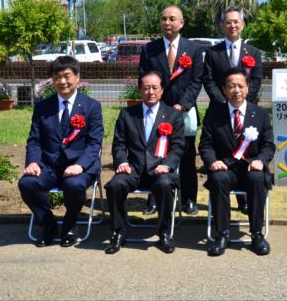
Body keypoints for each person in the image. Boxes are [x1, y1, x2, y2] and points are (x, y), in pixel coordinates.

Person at [19, 56, 103, 247]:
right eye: (57, 77)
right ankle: (48, 224)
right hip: (49, 165)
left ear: (77, 77)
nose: (62, 81)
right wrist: (32, 162)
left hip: (79, 166)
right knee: (27, 184)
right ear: (52, 80)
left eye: (67, 76)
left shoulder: (91, 107)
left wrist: (80, 166)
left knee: (74, 185)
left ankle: (70, 225)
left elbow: (94, 143)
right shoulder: (42, 107)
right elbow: (34, 140)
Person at [104, 71, 185, 254]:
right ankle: (118, 232)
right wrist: (122, 162)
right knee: (114, 185)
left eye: (155, 87)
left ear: (162, 90)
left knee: (164, 184)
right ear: (140, 90)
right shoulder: (127, 114)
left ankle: (164, 232)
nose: (150, 92)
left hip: (161, 169)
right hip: (133, 169)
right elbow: (119, 144)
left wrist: (168, 165)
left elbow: (178, 146)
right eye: (146, 87)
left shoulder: (173, 115)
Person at [199, 69, 275, 256]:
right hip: (225, 166)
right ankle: (222, 234)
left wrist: (261, 160)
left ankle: (257, 234)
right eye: (231, 86)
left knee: (258, 179)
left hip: (251, 166)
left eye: (240, 85)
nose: (236, 90)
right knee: (217, 179)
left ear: (248, 88)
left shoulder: (261, 113)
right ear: (224, 89)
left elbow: (269, 145)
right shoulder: (214, 113)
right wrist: (213, 161)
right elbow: (205, 145)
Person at [139, 5, 203, 215]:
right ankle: (155, 197)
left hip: (184, 112)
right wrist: (159, 106)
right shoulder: (150, 49)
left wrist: (182, 105)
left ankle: (189, 199)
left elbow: (196, 81)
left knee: (186, 155)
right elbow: (145, 79)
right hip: (157, 111)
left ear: (181, 23)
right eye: (164, 18)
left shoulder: (193, 49)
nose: (167, 22)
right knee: (155, 154)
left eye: (172, 19)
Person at [202, 5, 263, 214]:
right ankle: (225, 198)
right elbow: (208, 80)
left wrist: (242, 100)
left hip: (247, 110)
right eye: (228, 22)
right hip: (220, 110)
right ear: (222, 26)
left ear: (243, 25)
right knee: (226, 150)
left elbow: (256, 80)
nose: (232, 25)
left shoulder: (253, 52)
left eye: (236, 21)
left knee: (246, 150)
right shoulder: (212, 52)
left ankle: (245, 199)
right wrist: (224, 101)